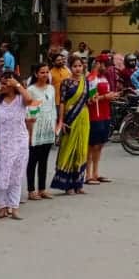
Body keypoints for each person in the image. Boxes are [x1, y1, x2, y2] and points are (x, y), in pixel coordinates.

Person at [0, 73, 29, 218]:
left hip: (20, 142)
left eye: (6, 83)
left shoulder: (20, 99)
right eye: (1, 83)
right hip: (2, 143)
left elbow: (29, 99)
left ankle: (14, 207)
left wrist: (18, 85)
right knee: (2, 175)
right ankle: (3, 207)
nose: (2, 86)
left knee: (16, 175)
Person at [53, 57, 96, 194]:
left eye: (80, 66)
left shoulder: (86, 82)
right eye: (75, 66)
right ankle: (67, 185)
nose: (78, 68)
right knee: (68, 148)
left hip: (83, 116)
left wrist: (93, 97)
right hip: (70, 117)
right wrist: (61, 120)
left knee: (81, 149)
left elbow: (88, 99)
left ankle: (78, 184)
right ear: (70, 67)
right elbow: (62, 102)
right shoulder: (66, 82)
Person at [25, 63, 57, 201]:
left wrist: (55, 125)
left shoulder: (51, 88)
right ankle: (31, 190)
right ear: (36, 74)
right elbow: (29, 110)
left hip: (48, 126)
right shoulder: (31, 90)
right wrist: (29, 131)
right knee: (33, 160)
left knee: (44, 160)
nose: (45, 75)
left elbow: (53, 107)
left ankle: (42, 189)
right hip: (36, 127)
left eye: (46, 72)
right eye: (42, 72)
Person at [86, 58, 115, 185]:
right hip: (95, 115)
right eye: (104, 65)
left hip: (105, 114)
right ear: (98, 64)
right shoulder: (92, 79)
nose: (107, 67)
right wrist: (105, 97)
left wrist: (111, 95)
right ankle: (88, 174)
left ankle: (96, 172)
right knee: (92, 145)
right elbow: (91, 99)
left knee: (100, 145)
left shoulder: (104, 78)